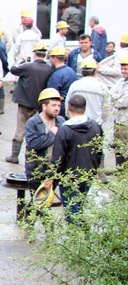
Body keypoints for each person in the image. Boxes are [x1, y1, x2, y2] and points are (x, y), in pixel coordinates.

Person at [48, 95, 103, 223]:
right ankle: (82, 236)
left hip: (69, 178)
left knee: (72, 213)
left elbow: (57, 158)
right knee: (79, 208)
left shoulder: (65, 129)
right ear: (85, 108)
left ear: (68, 108)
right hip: (88, 174)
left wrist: (50, 178)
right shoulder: (95, 126)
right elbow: (99, 152)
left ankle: (79, 240)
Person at [6, 43, 53, 164]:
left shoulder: (28, 66)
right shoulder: (49, 69)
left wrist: (22, 59)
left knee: (21, 128)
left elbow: (13, 69)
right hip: (39, 105)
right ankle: (34, 156)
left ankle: (14, 156)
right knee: (37, 130)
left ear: (34, 53)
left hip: (24, 103)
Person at [24, 88, 65, 216]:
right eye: (53, 105)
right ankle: (49, 230)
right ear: (44, 106)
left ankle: (28, 218)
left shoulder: (61, 122)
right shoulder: (33, 122)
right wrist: (51, 134)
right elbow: (33, 144)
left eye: (58, 105)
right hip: (37, 168)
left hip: (53, 169)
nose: (57, 108)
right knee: (41, 201)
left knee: (41, 199)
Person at [66, 58, 107, 125]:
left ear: (82, 72)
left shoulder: (75, 85)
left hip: (76, 125)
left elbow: (67, 105)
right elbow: (106, 110)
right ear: (95, 71)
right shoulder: (102, 87)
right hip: (96, 125)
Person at [107, 56, 128, 167]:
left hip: (126, 122)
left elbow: (123, 102)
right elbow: (109, 95)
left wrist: (116, 98)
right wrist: (118, 97)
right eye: (122, 69)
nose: (123, 71)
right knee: (118, 149)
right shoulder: (120, 81)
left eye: (126, 69)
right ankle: (119, 173)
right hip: (118, 121)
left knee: (125, 150)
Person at [46, 46, 78, 117]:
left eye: (50, 58)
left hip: (60, 109)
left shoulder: (56, 75)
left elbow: (51, 95)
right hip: (71, 106)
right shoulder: (71, 71)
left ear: (54, 58)